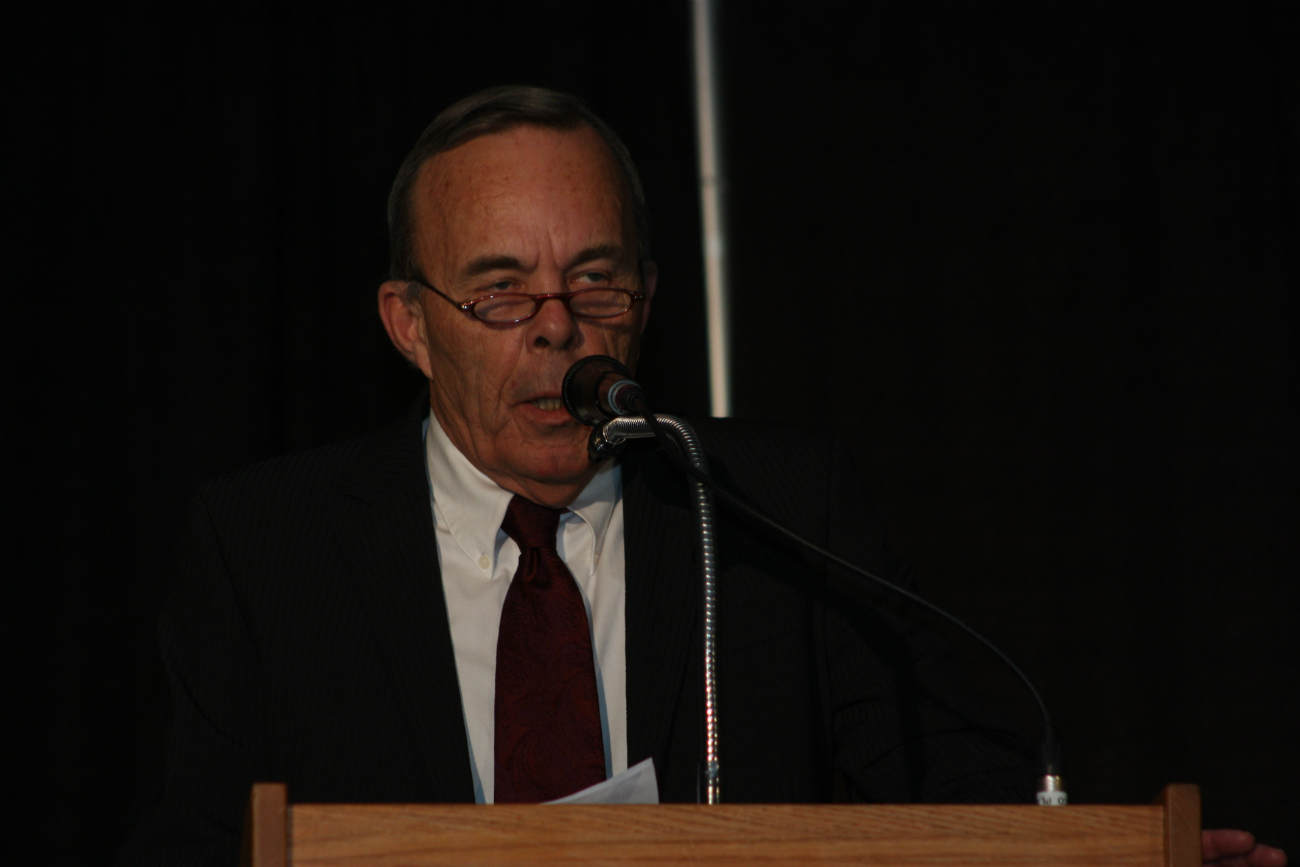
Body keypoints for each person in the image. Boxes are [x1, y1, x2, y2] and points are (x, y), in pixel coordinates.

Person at [123, 86, 1285, 866]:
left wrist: (1114, 856)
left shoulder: (774, 511)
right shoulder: (270, 549)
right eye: (501, 291)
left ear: (645, 301)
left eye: (596, 282)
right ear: (410, 325)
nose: (559, 328)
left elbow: (947, 797)